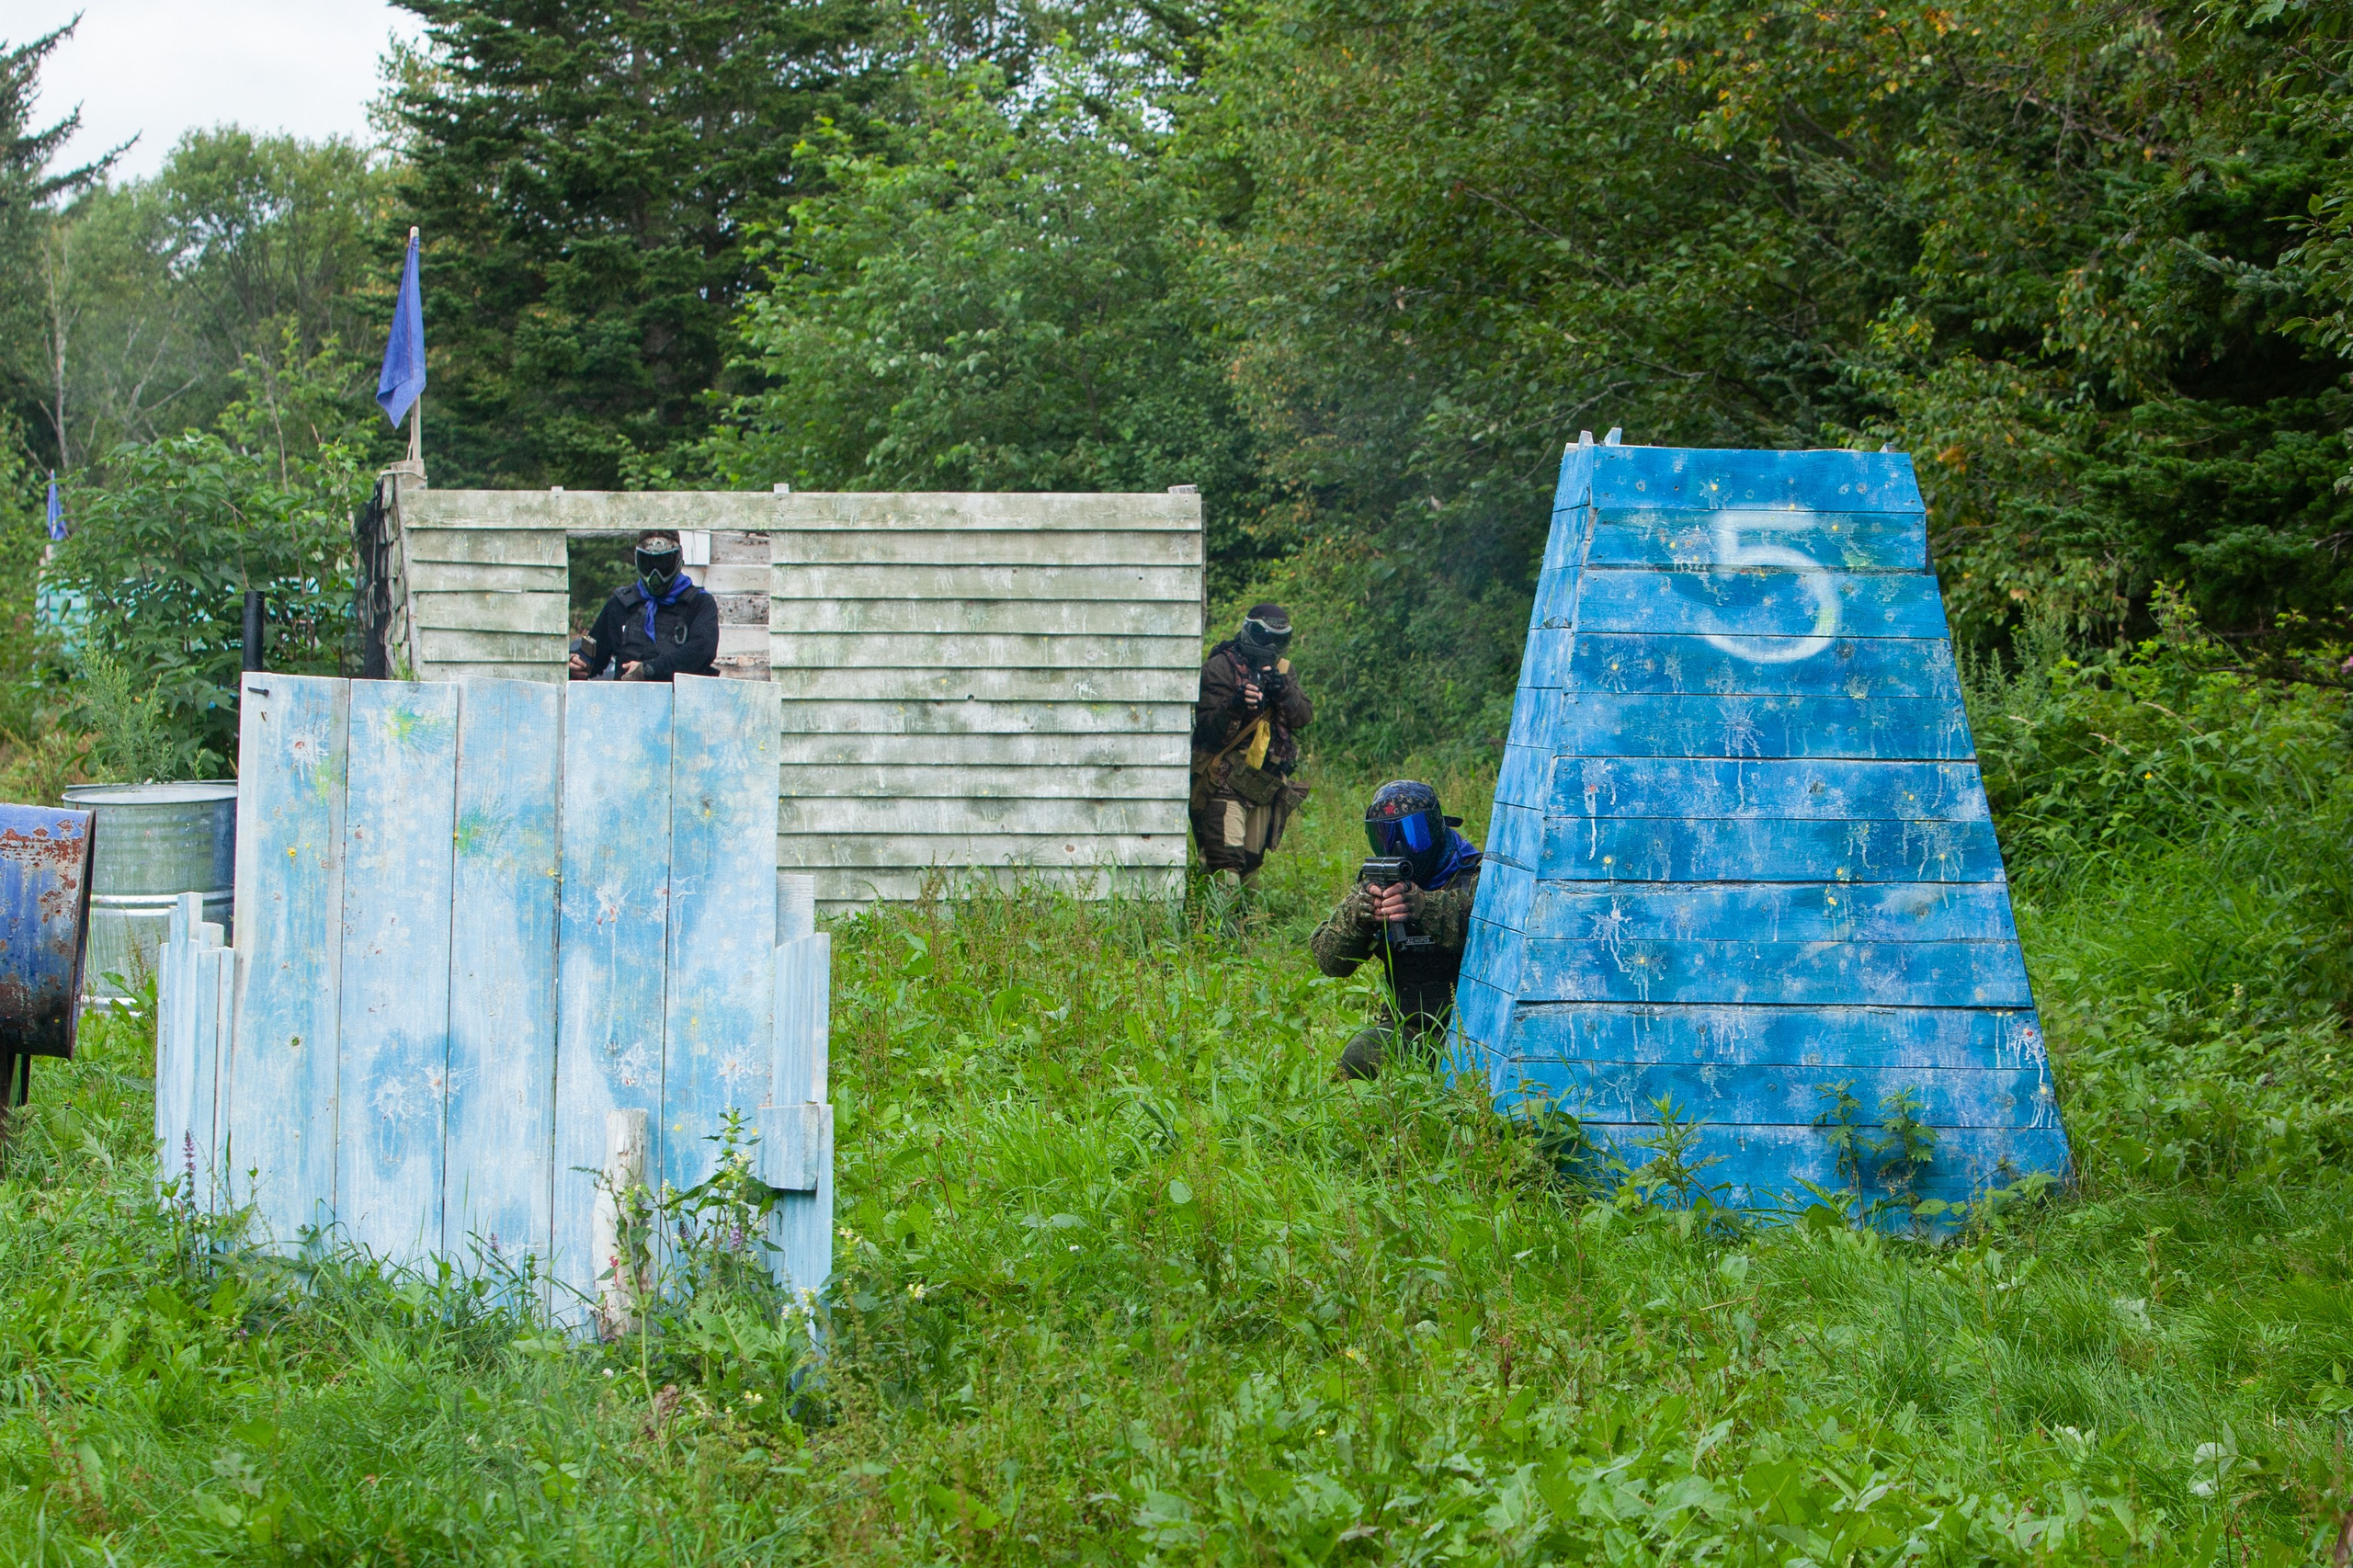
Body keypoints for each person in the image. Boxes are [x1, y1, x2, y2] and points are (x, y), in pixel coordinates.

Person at [1310, 780, 1483, 1080]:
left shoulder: (1477, 873)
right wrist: (1360, 916)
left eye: (1413, 835)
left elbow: (1494, 937)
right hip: (1412, 1027)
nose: (1400, 848)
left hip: (1479, 1029)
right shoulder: (1380, 884)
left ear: (1438, 827)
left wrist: (1425, 907)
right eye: (1386, 837)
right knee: (1359, 1056)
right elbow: (1331, 963)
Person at [1190, 603, 1313, 884]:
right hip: (1224, 780)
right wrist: (1235, 704)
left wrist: (1282, 690)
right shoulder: (1219, 667)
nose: (1270, 645)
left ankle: (1247, 929)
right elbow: (1207, 732)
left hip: (1262, 783)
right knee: (1225, 867)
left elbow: (1303, 716)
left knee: (1250, 869)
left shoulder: (1284, 670)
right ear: (1248, 632)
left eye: (1278, 639)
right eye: (1263, 636)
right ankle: (1214, 928)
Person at [571, 528, 720, 682]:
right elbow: (594, 654)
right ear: (638, 561)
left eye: (664, 563)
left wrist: (649, 670)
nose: (656, 574)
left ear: (678, 560)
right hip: (629, 701)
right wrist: (578, 662)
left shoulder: (699, 603)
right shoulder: (620, 604)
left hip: (682, 701)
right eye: (648, 563)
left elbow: (701, 652)